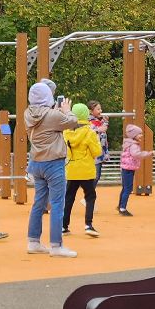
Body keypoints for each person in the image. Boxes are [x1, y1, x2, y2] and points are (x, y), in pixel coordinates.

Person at [23, 81, 82, 257]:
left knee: (38, 203)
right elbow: (73, 122)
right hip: (53, 163)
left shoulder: (28, 113)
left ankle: (33, 241)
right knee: (57, 204)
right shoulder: (52, 115)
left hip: (36, 162)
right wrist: (66, 110)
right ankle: (56, 245)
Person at [62, 101, 103, 238]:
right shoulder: (89, 132)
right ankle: (88, 225)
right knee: (90, 196)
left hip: (72, 169)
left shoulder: (66, 132)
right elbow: (97, 152)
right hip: (86, 170)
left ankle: (64, 226)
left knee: (69, 197)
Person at [117, 123, 149, 216]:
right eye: (139, 134)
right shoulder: (133, 145)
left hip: (126, 168)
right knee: (128, 188)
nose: (141, 136)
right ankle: (122, 208)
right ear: (134, 135)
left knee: (125, 188)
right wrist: (148, 153)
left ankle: (120, 206)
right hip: (128, 169)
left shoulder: (129, 143)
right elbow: (136, 154)